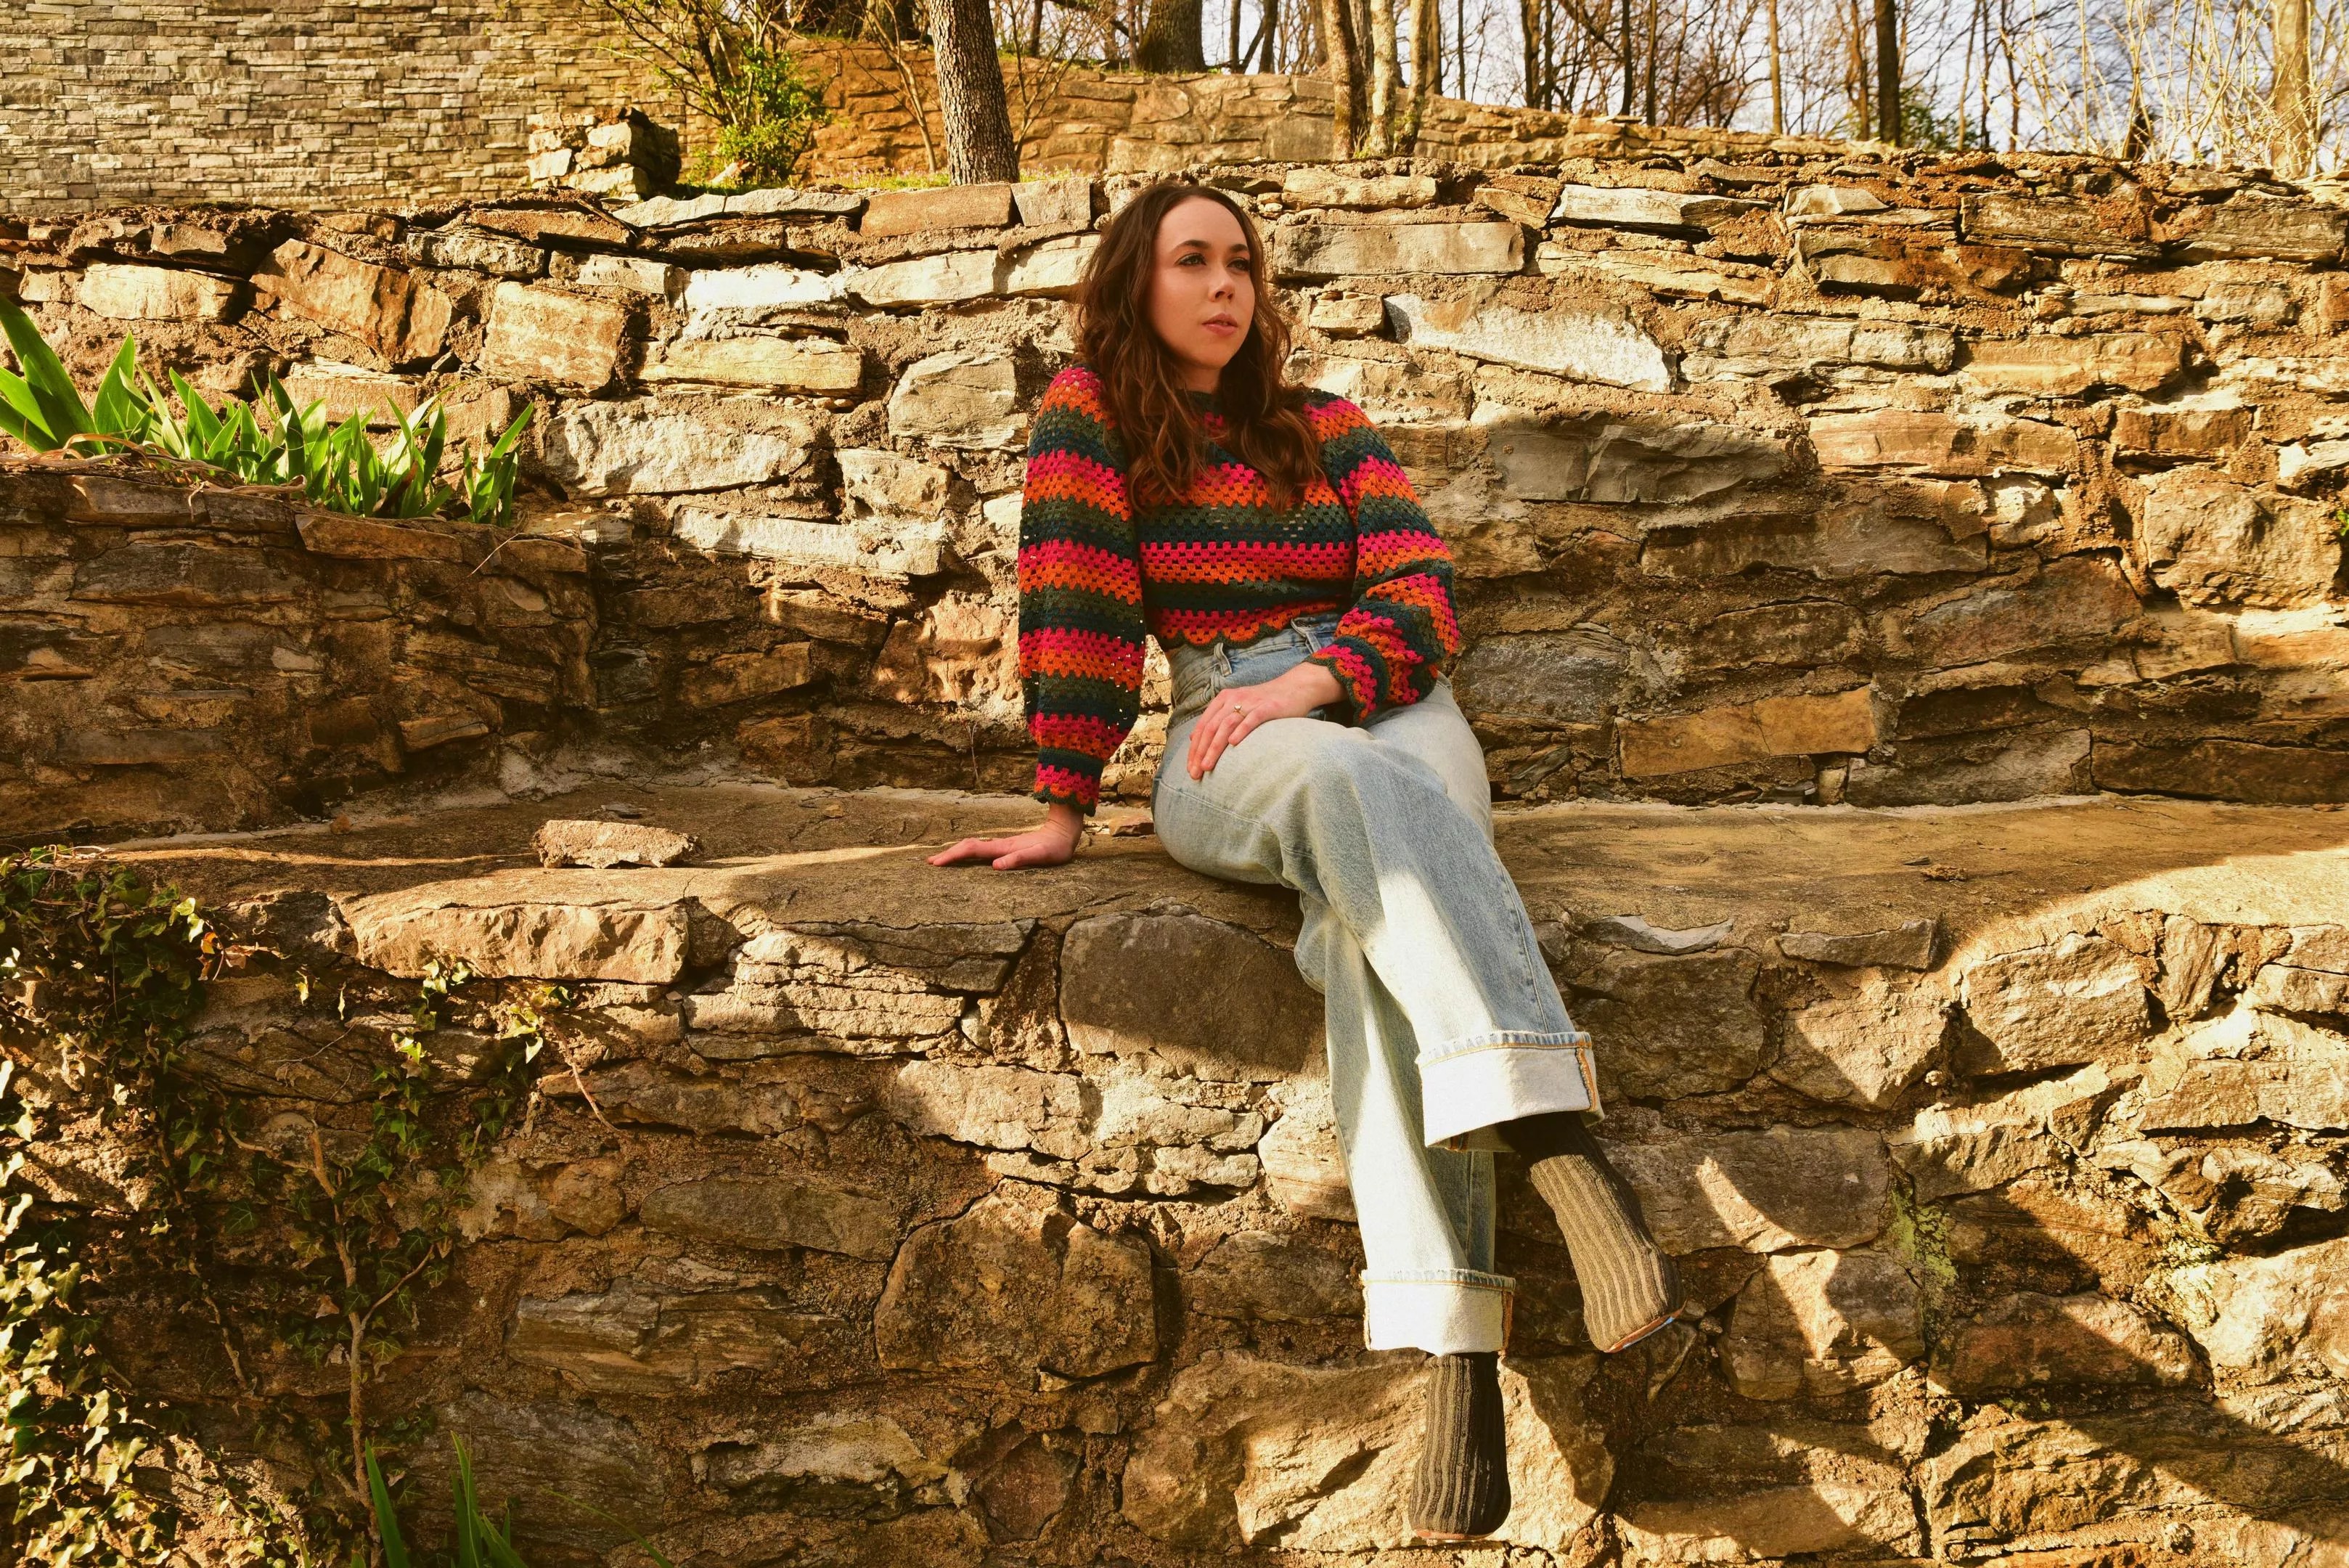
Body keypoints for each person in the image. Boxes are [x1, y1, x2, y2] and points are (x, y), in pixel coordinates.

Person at [927, 179, 1682, 1541]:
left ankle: (1454, 1361)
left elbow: (1420, 595)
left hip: (1383, 700)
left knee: (1365, 927)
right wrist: (1062, 802)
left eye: (1242, 263)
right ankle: (1557, 1140)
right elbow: (1077, 606)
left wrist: (1316, 680)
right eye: (1192, 261)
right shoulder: (1091, 418)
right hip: (1228, 727)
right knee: (1347, 794)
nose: (1225, 286)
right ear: (1137, 281)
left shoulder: (1326, 425)